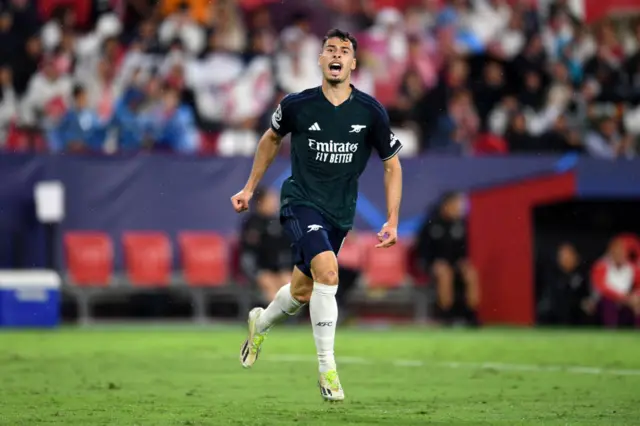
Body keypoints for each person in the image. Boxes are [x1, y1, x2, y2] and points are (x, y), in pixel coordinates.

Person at [230, 29, 403, 401]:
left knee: (302, 291)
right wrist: (249, 188)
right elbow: (270, 139)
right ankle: (328, 371)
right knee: (328, 271)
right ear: (321, 60)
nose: (336, 55)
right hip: (300, 201)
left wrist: (391, 219)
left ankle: (260, 322)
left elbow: (392, 164)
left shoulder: (370, 112)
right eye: (330, 49)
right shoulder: (297, 105)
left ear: (353, 63)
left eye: (344, 50)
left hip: (339, 212)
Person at [415, 191, 480, 326]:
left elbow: (463, 250)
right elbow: (422, 250)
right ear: (446, 205)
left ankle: (471, 314)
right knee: (445, 273)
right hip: (434, 265)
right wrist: (431, 263)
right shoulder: (431, 223)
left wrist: (462, 262)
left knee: (471, 273)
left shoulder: (461, 224)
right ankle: (447, 314)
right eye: (456, 205)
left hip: (454, 263)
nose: (459, 208)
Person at [239, 187, 292, 302]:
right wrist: (260, 272)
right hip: (259, 268)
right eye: (270, 200)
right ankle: (276, 317)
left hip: (279, 268)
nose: (274, 203)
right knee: (270, 286)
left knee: (288, 286)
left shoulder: (279, 222)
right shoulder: (252, 222)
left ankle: (288, 317)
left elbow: (285, 248)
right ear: (260, 202)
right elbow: (249, 252)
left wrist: (284, 269)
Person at [591, 238, 640, 328]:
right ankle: (611, 330)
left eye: (621, 250)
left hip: (627, 301)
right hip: (604, 302)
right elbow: (602, 288)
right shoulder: (601, 265)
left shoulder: (632, 267)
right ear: (610, 252)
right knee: (608, 302)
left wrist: (635, 296)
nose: (619, 253)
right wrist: (623, 298)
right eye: (616, 250)